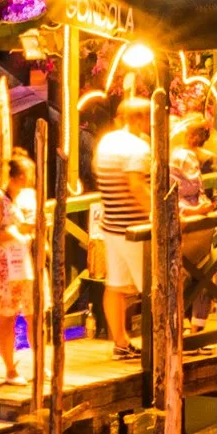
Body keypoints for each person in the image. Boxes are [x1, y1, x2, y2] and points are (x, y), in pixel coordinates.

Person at [93, 96, 154, 355]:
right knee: (152, 285)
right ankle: (157, 344)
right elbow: (136, 185)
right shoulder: (138, 148)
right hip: (135, 227)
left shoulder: (107, 141)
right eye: (149, 117)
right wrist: (157, 211)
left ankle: (120, 342)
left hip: (111, 225)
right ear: (138, 118)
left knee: (115, 286)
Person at [0, 149, 39, 381]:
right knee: (8, 316)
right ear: (18, 176)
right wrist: (17, 231)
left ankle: (38, 362)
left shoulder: (25, 198)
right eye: (29, 174)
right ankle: (10, 368)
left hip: (23, 262)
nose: (31, 179)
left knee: (34, 314)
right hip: (3, 265)